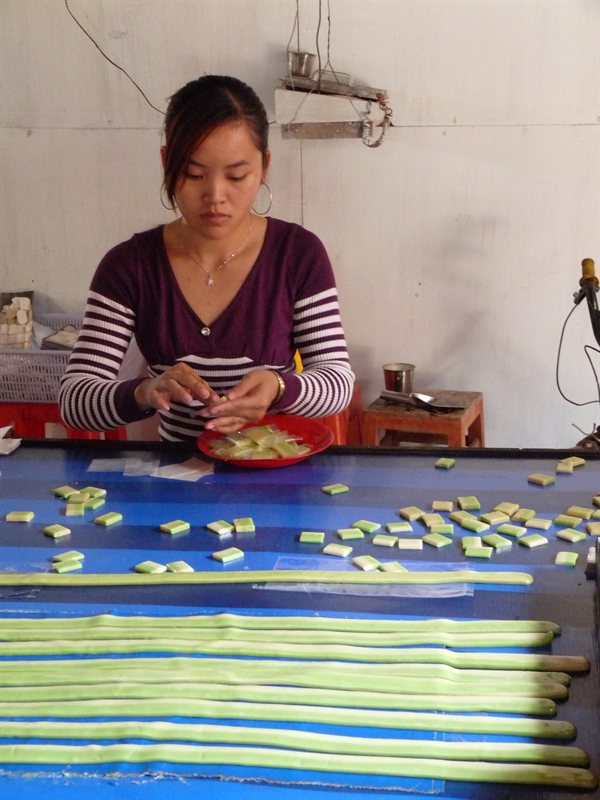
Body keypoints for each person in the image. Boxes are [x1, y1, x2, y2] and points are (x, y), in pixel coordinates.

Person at [59, 74, 354, 442]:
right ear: (167, 162)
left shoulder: (297, 255)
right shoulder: (130, 266)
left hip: (273, 480)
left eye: (236, 175)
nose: (215, 195)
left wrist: (280, 386)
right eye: (194, 174)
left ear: (264, 166)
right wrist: (143, 391)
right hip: (175, 483)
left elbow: (336, 382)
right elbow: (74, 399)